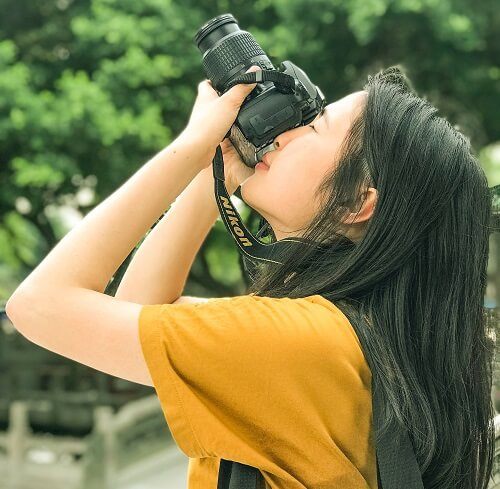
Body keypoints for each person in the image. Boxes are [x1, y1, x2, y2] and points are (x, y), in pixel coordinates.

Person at [6, 65, 494, 489]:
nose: (284, 131)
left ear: (357, 203)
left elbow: (39, 306)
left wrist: (192, 145)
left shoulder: (302, 342)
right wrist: (212, 175)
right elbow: (145, 310)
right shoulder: (345, 339)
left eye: (315, 123)